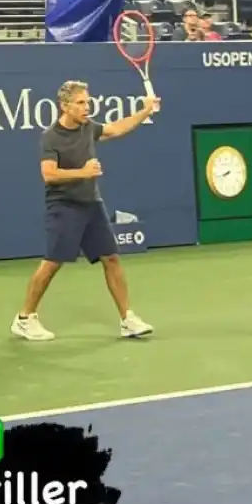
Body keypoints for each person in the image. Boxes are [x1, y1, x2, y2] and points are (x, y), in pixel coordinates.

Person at [11, 80, 157, 342]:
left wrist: (145, 111)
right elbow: (48, 174)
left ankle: (127, 319)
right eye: (80, 103)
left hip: (92, 204)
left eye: (87, 102)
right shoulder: (51, 136)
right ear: (65, 106)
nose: (86, 107)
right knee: (51, 264)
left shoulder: (88, 127)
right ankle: (25, 318)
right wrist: (84, 172)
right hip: (64, 206)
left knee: (111, 258)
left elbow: (115, 129)